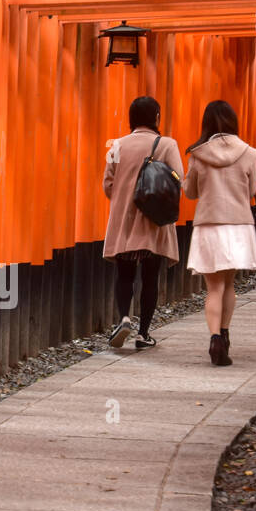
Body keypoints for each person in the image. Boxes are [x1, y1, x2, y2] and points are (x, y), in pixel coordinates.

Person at [182, 100, 256, 366]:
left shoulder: (198, 154)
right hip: (238, 225)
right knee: (229, 283)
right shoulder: (249, 152)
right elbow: (250, 192)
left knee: (213, 287)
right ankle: (225, 335)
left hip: (209, 225)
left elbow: (191, 192)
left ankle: (214, 338)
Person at [102, 95, 182, 349]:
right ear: (156, 117)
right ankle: (143, 333)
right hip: (153, 220)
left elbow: (107, 185)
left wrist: (124, 195)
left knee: (124, 274)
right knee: (150, 276)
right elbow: (178, 178)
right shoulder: (167, 145)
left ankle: (124, 317)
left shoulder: (116, 146)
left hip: (124, 220)